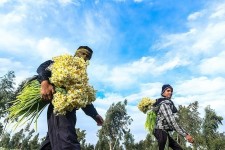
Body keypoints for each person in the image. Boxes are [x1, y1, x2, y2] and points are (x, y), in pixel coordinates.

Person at [38, 46, 104, 150]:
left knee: (51, 143)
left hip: (70, 112)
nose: (85, 57)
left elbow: (82, 99)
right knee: (67, 143)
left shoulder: (81, 76)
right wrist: (45, 83)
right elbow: (43, 67)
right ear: (76, 53)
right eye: (83, 53)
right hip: (60, 109)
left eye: (88, 56)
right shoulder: (64, 63)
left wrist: (94, 115)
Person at [153, 84, 194, 150]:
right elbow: (172, 122)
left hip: (163, 132)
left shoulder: (166, 103)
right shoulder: (165, 104)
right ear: (163, 93)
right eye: (168, 91)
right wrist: (186, 135)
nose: (170, 92)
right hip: (161, 132)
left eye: (171, 91)